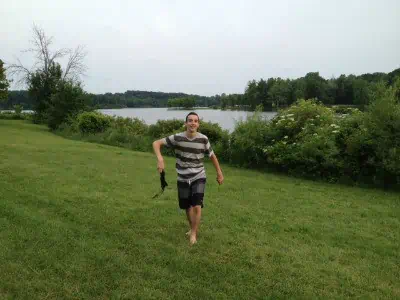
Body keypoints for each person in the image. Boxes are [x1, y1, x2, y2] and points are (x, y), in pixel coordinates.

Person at [152, 112, 224, 245]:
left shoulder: (203, 139)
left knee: (197, 205)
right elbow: (156, 143)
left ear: (198, 124)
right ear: (185, 123)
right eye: (190, 120)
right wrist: (160, 159)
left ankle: (194, 233)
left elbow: (212, 156)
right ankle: (192, 228)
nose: (192, 123)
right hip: (183, 177)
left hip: (199, 175)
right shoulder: (178, 138)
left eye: (195, 121)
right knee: (187, 206)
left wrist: (219, 172)